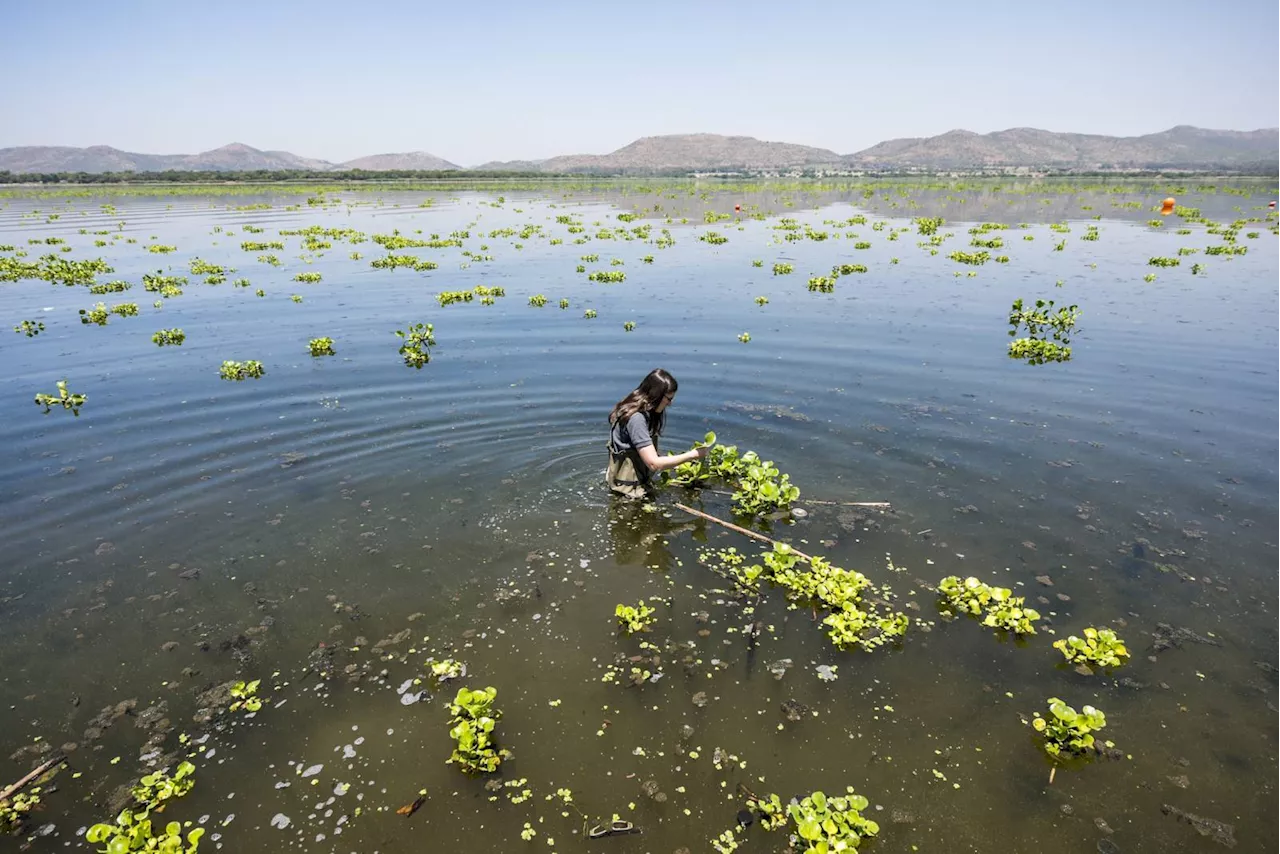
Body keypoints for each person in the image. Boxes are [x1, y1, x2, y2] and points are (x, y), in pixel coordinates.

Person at [607, 368, 711, 499]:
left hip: (620, 482)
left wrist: (674, 463)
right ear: (656, 395)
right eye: (668, 399)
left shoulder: (628, 406)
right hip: (629, 491)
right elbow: (654, 463)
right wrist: (693, 455)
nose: (670, 403)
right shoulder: (637, 419)